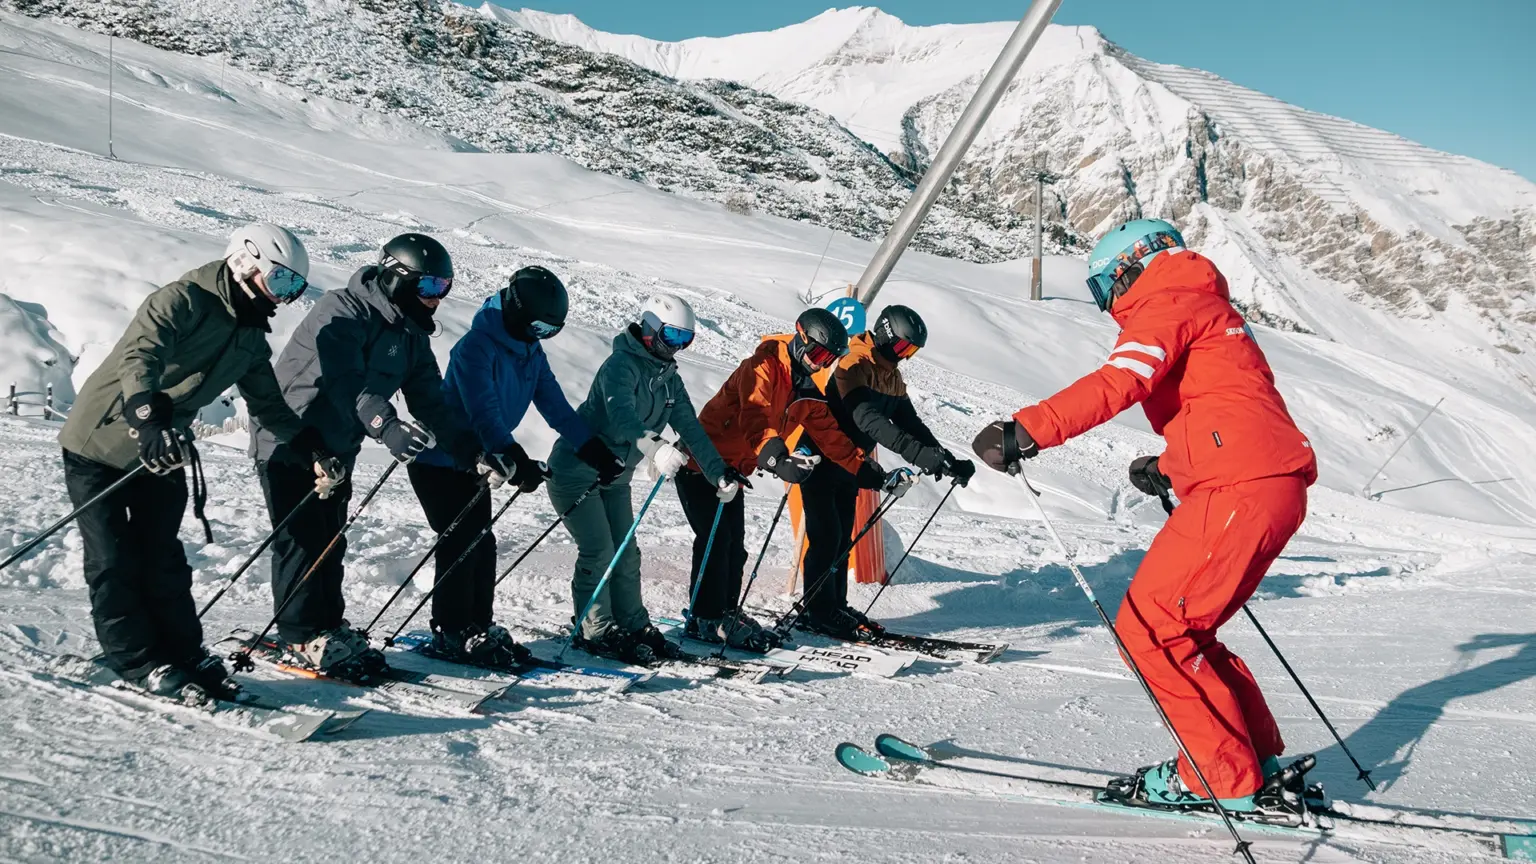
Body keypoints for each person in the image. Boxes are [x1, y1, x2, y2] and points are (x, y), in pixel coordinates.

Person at [972, 219, 1318, 816]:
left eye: (1104, 289)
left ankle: (1217, 776)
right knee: (1186, 630)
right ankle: (1249, 762)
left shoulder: (1168, 300)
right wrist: (1173, 462)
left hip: (1238, 489)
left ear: (1130, 269)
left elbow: (1121, 380)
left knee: (1150, 628)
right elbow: (1231, 404)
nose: (1107, 305)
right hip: (1262, 484)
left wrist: (1026, 429)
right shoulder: (1204, 304)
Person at [58, 223, 342, 701]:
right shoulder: (182, 300)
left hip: (163, 452)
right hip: (99, 444)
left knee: (164, 557)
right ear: (246, 264)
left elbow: (269, 406)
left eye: (294, 288)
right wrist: (147, 418)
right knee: (112, 559)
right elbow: (140, 356)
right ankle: (137, 660)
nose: (285, 298)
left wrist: (310, 444)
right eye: (282, 283)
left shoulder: (249, 338)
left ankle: (184, 653)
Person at [251, 232, 483, 678]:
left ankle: (327, 627)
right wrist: (386, 426)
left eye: (445, 288)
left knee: (331, 537)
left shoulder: (409, 333)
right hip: (290, 437)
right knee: (301, 538)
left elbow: (431, 399)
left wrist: (473, 451)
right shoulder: (341, 310)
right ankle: (300, 634)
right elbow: (346, 383)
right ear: (398, 279)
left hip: (339, 444)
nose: (438, 299)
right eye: (431, 287)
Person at [408, 265, 603, 669]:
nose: (540, 336)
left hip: (481, 461)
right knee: (460, 539)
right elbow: (484, 413)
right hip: (440, 459)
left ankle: (477, 626)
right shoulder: (475, 347)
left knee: (483, 541)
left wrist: (591, 447)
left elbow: (554, 405)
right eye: (537, 326)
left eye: (549, 331)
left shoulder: (529, 350)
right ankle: (450, 630)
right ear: (516, 309)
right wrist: (512, 454)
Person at [545, 293, 729, 666]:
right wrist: (655, 446)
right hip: (575, 471)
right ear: (650, 328)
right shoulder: (620, 366)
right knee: (599, 550)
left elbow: (691, 429)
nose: (677, 347)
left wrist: (718, 472)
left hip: (616, 478)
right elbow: (621, 417)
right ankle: (593, 628)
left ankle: (632, 623)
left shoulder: (668, 379)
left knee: (627, 554)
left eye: (685, 340)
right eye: (673, 336)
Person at [677, 308, 865, 652]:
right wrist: (776, 458)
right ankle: (704, 617)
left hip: (732, 471)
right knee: (715, 541)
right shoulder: (761, 367)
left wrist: (863, 469)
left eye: (828, 359)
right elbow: (756, 415)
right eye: (818, 354)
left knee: (735, 547)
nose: (819, 364)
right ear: (800, 339)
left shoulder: (804, 388)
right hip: (700, 462)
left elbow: (829, 433)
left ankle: (726, 612)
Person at [824, 304, 976, 632]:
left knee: (840, 543)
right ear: (883, 335)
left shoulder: (890, 374)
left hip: (852, 464)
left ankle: (835, 606)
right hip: (825, 459)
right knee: (827, 539)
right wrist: (919, 456)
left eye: (910, 351)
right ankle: (820, 611)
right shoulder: (855, 363)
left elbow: (910, 423)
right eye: (901, 347)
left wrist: (945, 459)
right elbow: (869, 420)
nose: (904, 356)